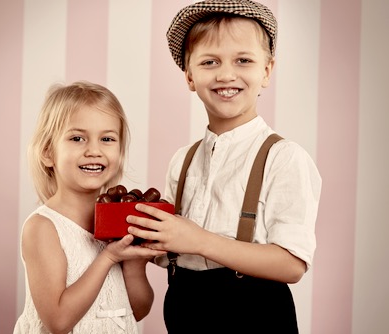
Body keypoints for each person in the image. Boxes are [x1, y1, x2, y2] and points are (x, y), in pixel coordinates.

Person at [126, 1, 322, 333]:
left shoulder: (285, 158)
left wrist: (199, 240)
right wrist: (146, 239)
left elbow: (291, 265)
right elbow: (172, 252)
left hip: (254, 314)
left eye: (243, 60)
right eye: (209, 62)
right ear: (189, 76)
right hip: (185, 308)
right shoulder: (182, 161)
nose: (226, 74)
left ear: (267, 71)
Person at [14, 81, 165, 334]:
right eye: (77, 138)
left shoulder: (120, 221)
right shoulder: (43, 228)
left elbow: (138, 310)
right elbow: (59, 322)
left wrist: (135, 263)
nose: (94, 150)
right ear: (48, 152)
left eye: (107, 139)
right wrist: (109, 257)